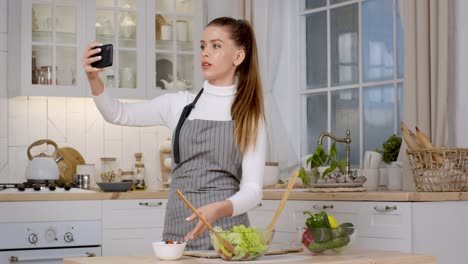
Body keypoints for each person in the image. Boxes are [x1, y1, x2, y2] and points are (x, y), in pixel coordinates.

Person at [82, 17, 266, 250]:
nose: (205, 53)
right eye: (202, 46)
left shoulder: (249, 113)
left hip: (228, 239)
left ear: (238, 57)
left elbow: (253, 190)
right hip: (179, 233)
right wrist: (93, 78)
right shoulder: (178, 104)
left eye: (216, 46)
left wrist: (218, 208)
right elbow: (118, 113)